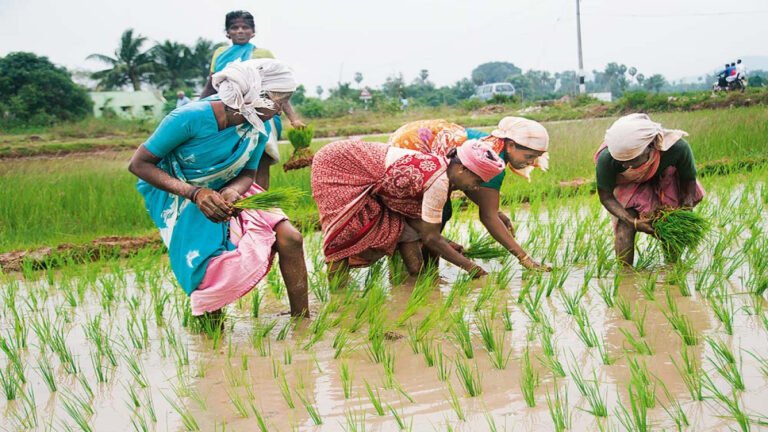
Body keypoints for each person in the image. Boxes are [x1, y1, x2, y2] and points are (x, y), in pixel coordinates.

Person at [128, 59, 309, 318]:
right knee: (208, 270)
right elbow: (139, 164)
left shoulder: (256, 126)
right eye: (279, 103)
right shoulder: (189, 118)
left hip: (230, 189)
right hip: (182, 193)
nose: (280, 112)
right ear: (257, 95)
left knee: (290, 237)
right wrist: (195, 193)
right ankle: (213, 341)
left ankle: (302, 322)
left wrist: (234, 190)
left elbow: (248, 173)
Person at [311, 138, 505, 285]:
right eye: (477, 181)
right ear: (462, 169)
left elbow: (420, 227)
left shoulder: (442, 171)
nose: (477, 188)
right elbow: (431, 238)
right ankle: (339, 294)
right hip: (337, 163)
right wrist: (474, 269)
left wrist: (449, 244)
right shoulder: (438, 182)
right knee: (344, 232)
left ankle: (418, 279)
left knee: (404, 228)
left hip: (367, 169)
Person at [388, 118, 550, 270]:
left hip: (408, 137)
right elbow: (488, 217)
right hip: (411, 149)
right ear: (511, 145)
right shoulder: (491, 160)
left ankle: (419, 269)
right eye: (529, 156)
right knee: (436, 213)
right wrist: (524, 258)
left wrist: (496, 211)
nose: (530, 163)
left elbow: (469, 184)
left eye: (535, 158)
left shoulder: (492, 143)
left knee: (435, 214)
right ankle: (424, 269)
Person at [200, 10, 305, 172]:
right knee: (230, 163)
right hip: (228, 113)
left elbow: (279, 88)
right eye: (234, 27)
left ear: (253, 32)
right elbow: (211, 85)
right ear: (227, 33)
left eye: (245, 27)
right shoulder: (220, 54)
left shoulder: (263, 54)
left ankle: (261, 196)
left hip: (262, 113)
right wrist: (196, 108)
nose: (240, 31)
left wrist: (293, 119)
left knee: (261, 158)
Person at [594, 113, 705, 266]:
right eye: (622, 162)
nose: (626, 165)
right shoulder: (608, 158)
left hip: (665, 180)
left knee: (671, 221)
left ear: (651, 146)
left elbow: (688, 181)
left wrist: (684, 209)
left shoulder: (677, 148)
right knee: (624, 226)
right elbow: (606, 196)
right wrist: (632, 221)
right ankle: (625, 275)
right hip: (629, 186)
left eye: (632, 160)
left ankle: (673, 268)